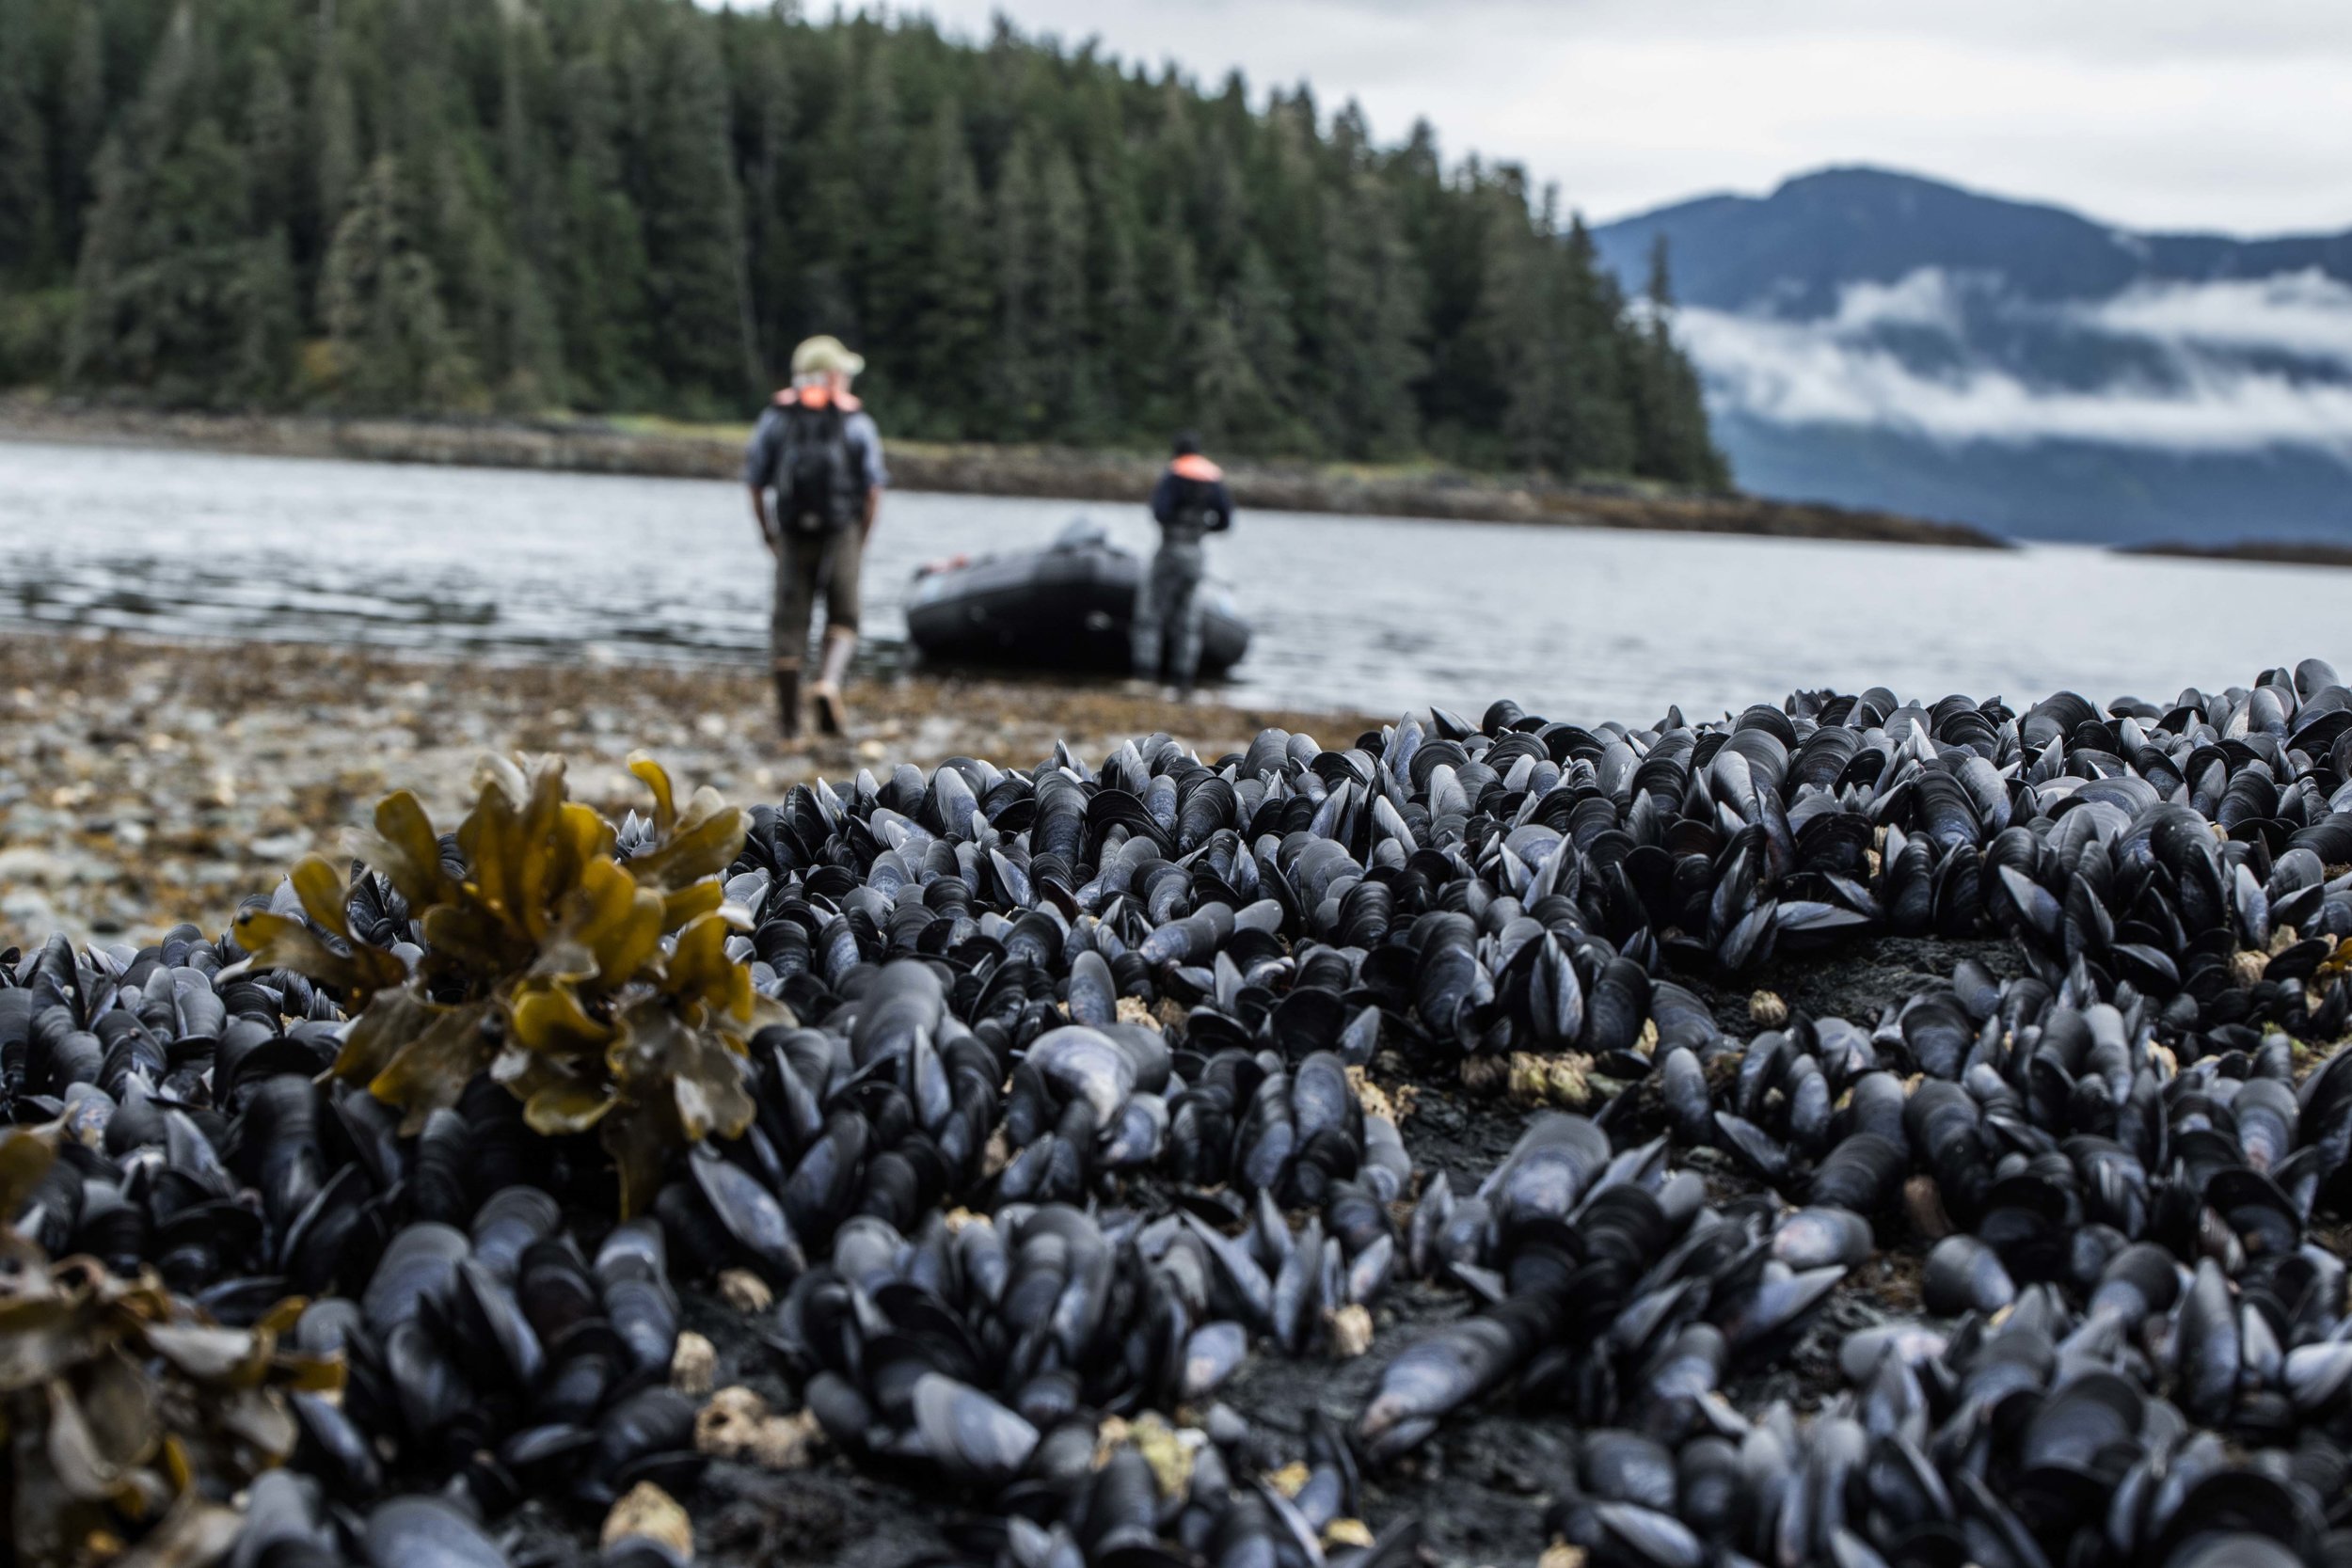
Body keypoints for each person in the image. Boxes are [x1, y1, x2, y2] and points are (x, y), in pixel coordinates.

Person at [743, 335, 887, 739]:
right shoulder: (855, 421)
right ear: (834, 375)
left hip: (790, 529)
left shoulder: (776, 417)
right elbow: (873, 489)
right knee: (844, 614)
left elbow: (755, 483)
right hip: (842, 528)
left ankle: (789, 727)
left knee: (788, 625)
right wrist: (861, 539)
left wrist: (768, 535)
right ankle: (827, 682)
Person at [1132, 434, 1233, 699]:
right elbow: (1225, 521)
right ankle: (1183, 679)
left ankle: (1146, 675)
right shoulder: (1211, 479)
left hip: (1170, 551)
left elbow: (1160, 512)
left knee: (1151, 612)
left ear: (1176, 452)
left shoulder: (1173, 476)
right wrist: (1201, 527)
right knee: (1188, 616)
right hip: (1196, 553)